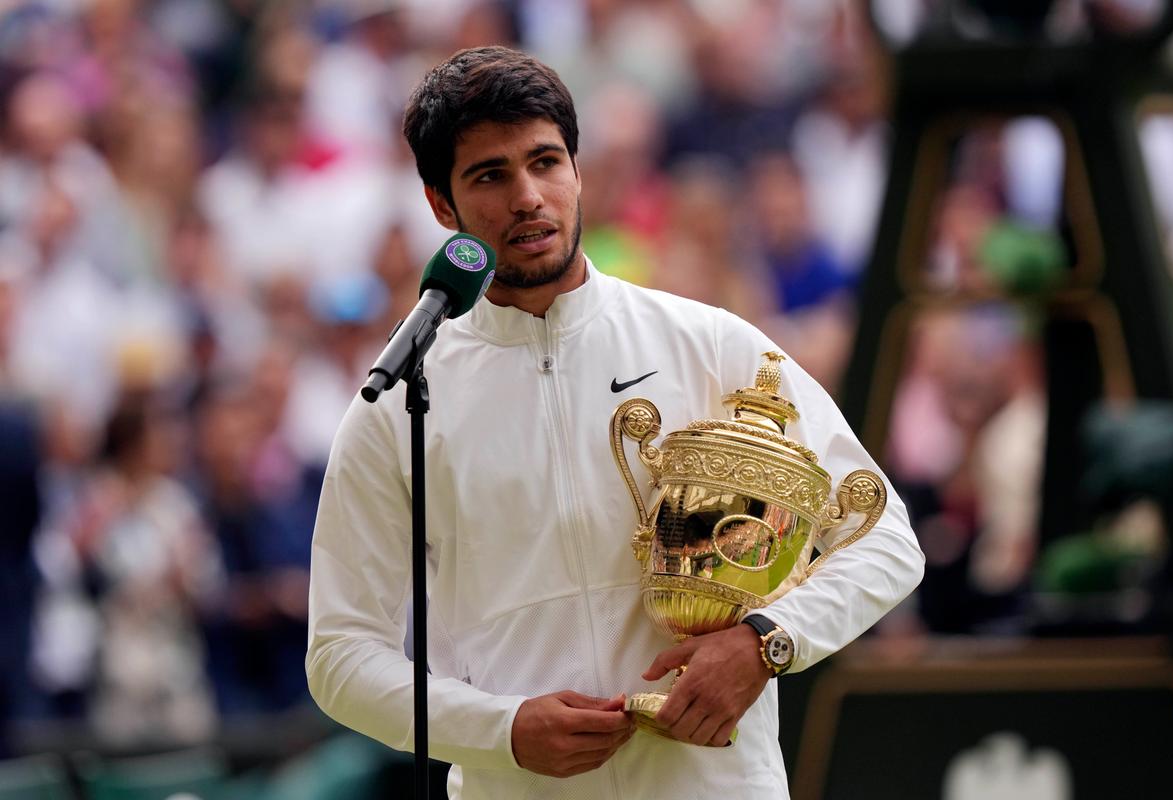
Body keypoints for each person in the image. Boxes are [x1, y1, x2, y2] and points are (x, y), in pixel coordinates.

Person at [306, 46, 924, 800]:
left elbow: (885, 538)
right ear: (443, 205)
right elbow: (339, 654)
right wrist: (497, 730)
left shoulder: (710, 345)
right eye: (490, 176)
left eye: (546, 162)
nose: (528, 196)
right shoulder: (401, 399)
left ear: (578, 169)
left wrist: (765, 645)